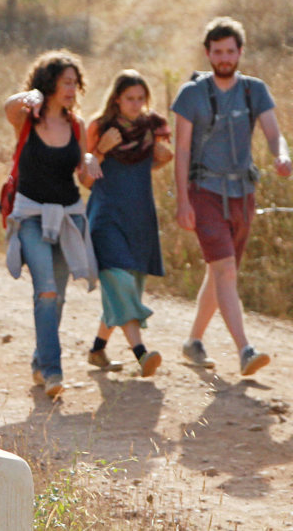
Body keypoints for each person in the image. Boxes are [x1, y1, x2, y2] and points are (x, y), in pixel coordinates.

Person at [172, 17, 291, 376]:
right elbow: (181, 150)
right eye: (218, 51)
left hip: (243, 193)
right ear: (207, 53)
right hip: (205, 191)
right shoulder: (190, 95)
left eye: (230, 51)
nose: (224, 58)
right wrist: (182, 201)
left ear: (240, 52)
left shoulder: (255, 90)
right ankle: (245, 350)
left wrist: (281, 155)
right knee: (224, 269)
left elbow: (273, 134)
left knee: (221, 271)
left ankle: (193, 342)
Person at [3, 50, 102, 399]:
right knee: (45, 290)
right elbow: (8, 107)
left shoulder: (77, 125)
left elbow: (83, 179)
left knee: (57, 298)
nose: (72, 89)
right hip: (30, 216)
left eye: (75, 83)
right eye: (65, 83)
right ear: (49, 85)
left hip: (68, 217)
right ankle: (53, 370)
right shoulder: (26, 119)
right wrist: (28, 97)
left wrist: (92, 163)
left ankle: (39, 360)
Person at [83, 70, 173, 378]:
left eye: (140, 98)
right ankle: (141, 353)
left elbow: (148, 165)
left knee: (125, 289)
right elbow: (85, 179)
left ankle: (97, 350)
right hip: (105, 218)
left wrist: (162, 158)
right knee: (119, 283)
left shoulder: (151, 128)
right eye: (129, 98)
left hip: (139, 218)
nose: (136, 104)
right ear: (117, 99)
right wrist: (100, 150)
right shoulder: (99, 127)